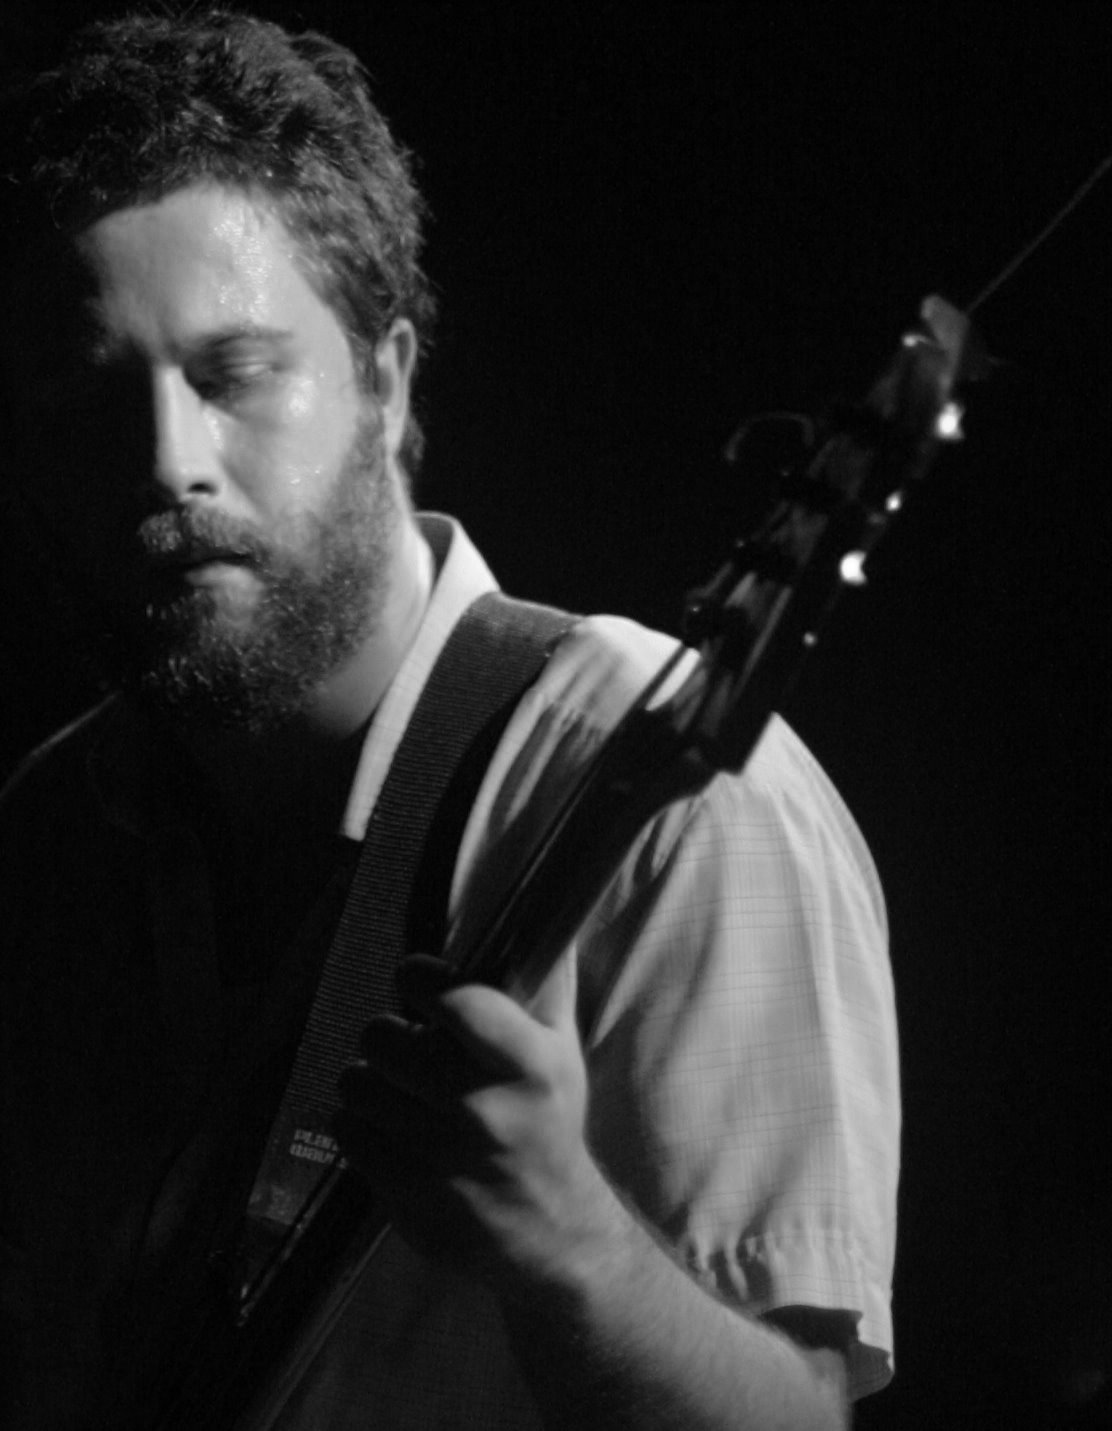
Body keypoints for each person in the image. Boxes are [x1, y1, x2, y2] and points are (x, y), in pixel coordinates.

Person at [0, 10, 899, 1429]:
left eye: (235, 376)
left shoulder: (675, 796)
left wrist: (572, 1244)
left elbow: (796, 1417)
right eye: (92, 397)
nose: (169, 463)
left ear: (388, 379)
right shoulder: (47, 832)